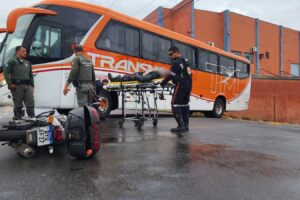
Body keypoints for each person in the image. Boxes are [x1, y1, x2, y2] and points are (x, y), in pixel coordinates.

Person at [161, 46, 192, 133]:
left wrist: (163, 83)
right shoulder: (186, 61)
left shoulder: (176, 62)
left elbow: (170, 75)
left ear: (176, 52)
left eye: (171, 54)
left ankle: (180, 125)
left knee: (175, 104)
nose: (170, 56)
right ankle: (185, 126)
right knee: (184, 105)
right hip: (189, 85)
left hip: (181, 85)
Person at [3, 46, 35, 119]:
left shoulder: (28, 63)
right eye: (23, 51)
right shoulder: (12, 61)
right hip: (17, 86)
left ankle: (32, 117)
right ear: (17, 52)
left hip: (27, 86)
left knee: (30, 103)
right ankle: (18, 117)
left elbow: (31, 75)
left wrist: (32, 86)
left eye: (25, 51)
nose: (25, 53)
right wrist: (10, 84)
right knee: (18, 104)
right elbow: (5, 72)